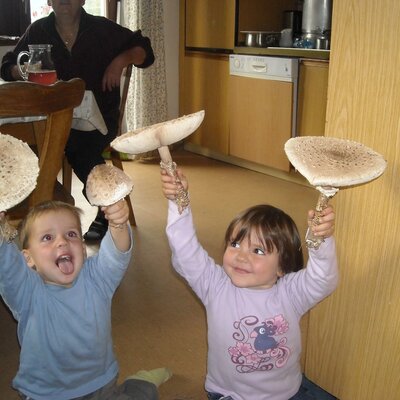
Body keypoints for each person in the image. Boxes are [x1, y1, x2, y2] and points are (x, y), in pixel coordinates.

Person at [160, 168, 338, 400]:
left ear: (282, 266)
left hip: (287, 392)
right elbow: (186, 252)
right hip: (230, 394)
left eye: (258, 250)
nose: (241, 256)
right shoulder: (215, 286)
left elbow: (323, 278)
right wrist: (179, 202)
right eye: (235, 244)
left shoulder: (292, 293)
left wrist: (320, 240)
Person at [0, 0, 155, 241]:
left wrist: (119, 61)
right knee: (23, 144)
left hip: (99, 118)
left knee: (73, 144)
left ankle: (106, 207)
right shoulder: (38, 30)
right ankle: (31, 213)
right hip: (50, 120)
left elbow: (145, 50)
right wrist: (21, 71)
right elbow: (7, 64)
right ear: (49, 1)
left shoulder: (103, 29)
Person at [0, 200, 171, 399]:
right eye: (47, 237)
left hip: (100, 385)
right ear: (28, 259)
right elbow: (7, 267)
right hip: (45, 394)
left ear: (82, 249)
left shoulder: (97, 278)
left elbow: (116, 254)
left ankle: (141, 384)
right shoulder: (27, 291)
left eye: (71, 234)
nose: (62, 241)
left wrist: (118, 223)